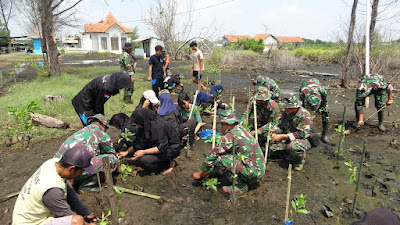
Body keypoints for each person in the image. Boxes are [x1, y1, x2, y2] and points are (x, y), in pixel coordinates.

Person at [13, 145, 97, 225]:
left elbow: (70, 192)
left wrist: (85, 212)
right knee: (77, 221)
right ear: (71, 169)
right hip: (31, 223)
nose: (80, 174)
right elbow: (66, 215)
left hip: (33, 217)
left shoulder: (52, 163)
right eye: (81, 172)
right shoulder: (52, 189)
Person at [193, 110, 265, 193]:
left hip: (253, 172)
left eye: (222, 124)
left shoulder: (230, 136)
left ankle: (240, 185)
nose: (221, 127)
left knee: (220, 159)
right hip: (259, 169)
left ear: (228, 124)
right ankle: (246, 178)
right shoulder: (241, 129)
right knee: (226, 155)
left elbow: (213, 155)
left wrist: (199, 174)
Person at [54, 114, 118, 190]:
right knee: (111, 159)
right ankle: (88, 186)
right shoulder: (101, 134)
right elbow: (111, 153)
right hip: (72, 171)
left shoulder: (80, 132)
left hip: (58, 169)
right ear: (101, 125)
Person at [130, 108, 181, 174]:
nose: (136, 125)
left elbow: (161, 147)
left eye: (137, 123)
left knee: (144, 161)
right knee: (138, 145)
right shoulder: (147, 123)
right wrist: (126, 152)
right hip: (160, 146)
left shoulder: (158, 127)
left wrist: (144, 152)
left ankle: (168, 164)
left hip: (170, 149)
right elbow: (140, 141)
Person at [269, 94, 312, 171]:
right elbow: (281, 125)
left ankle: (299, 161)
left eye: (287, 107)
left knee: (293, 147)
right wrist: (275, 132)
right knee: (272, 147)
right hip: (288, 136)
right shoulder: (287, 113)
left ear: (294, 107)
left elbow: (302, 134)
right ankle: (287, 153)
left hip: (302, 140)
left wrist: (282, 136)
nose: (285, 109)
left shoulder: (304, 115)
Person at [299, 78, 330, 143]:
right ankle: (305, 130)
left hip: (316, 84)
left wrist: (315, 115)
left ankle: (324, 134)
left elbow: (324, 104)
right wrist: (307, 118)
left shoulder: (322, 91)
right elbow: (301, 107)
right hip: (306, 84)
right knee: (302, 114)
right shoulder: (303, 92)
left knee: (326, 112)